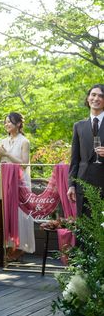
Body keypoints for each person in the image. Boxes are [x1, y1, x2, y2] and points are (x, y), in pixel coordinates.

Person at [0, 112, 35, 262]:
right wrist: (0, 154)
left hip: (18, 179)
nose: (7, 124)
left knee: (19, 211)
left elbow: (24, 164)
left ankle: (19, 247)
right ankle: (8, 243)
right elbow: (1, 160)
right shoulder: (3, 141)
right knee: (4, 209)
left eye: (10, 122)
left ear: (18, 124)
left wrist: (6, 154)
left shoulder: (24, 141)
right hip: (4, 177)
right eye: (5, 122)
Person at [67, 84, 104, 217]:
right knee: (83, 227)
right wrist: (71, 184)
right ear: (88, 98)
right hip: (83, 185)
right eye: (93, 95)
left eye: (101, 96)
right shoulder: (79, 126)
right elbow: (74, 159)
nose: (96, 98)